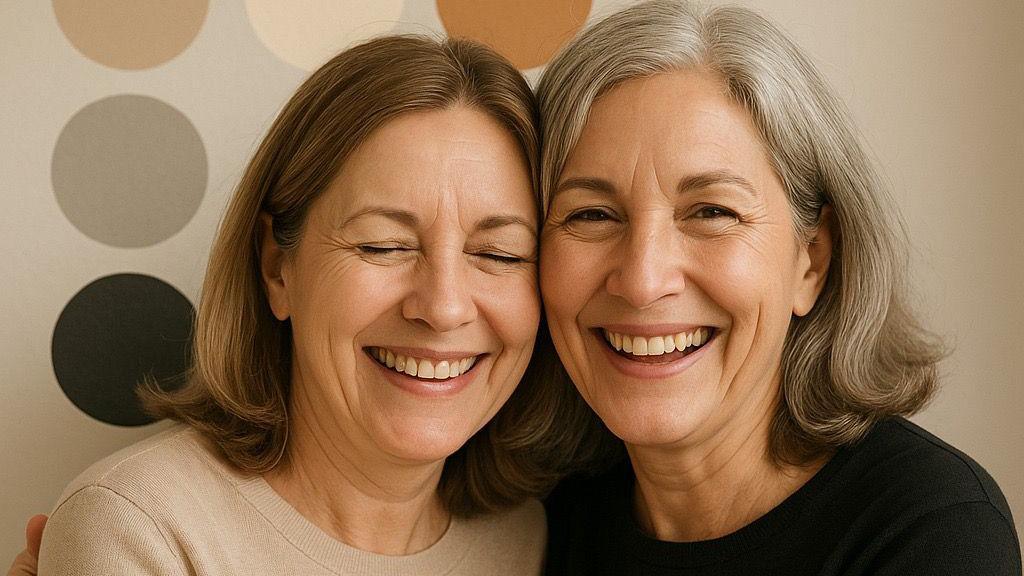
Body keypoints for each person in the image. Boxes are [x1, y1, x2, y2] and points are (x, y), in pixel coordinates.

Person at [16, 34, 578, 575]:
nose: (444, 306)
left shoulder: (530, 538)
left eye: (499, 254)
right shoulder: (141, 529)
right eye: (383, 245)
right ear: (276, 267)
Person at [536, 1, 1021, 574]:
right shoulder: (538, 523)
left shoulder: (928, 527)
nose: (643, 281)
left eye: (712, 211)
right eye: (591, 215)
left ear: (810, 261)